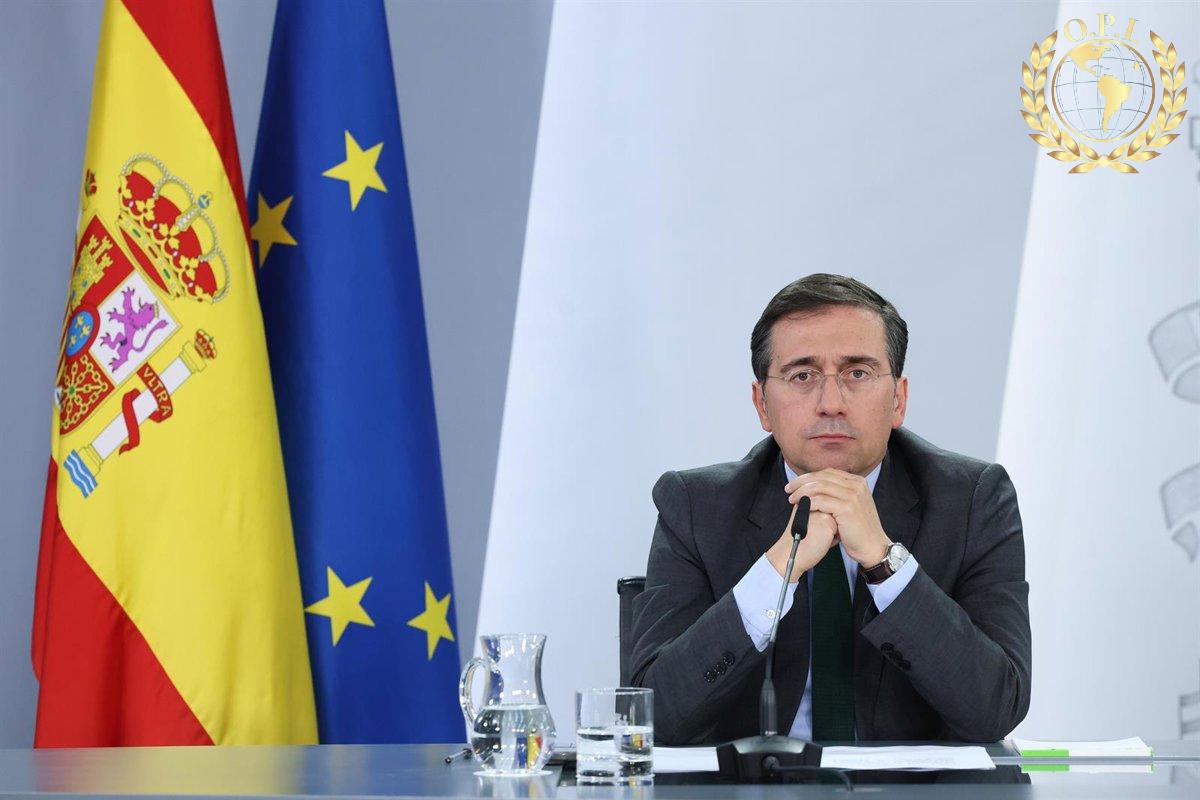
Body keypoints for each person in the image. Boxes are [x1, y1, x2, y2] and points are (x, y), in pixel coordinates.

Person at [629, 274, 1031, 745]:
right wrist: (777, 570)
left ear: (898, 399)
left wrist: (885, 562)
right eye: (802, 376)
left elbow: (995, 709)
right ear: (762, 404)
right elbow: (653, 716)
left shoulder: (972, 500)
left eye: (857, 373)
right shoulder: (696, 507)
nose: (831, 403)